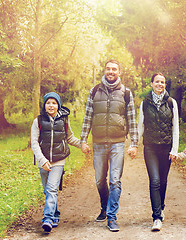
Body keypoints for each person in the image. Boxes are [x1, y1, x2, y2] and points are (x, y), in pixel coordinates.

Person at [80, 60, 138, 232]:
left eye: (114, 69)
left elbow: (132, 119)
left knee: (115, 180)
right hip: (98, 143)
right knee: (99, 180)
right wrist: (83, 140)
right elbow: (87, 116)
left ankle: (112, 217)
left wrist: (134, 143)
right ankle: (104, 207)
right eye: (108, 69)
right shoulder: (94, 91)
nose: (111, 72)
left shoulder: (126, 93)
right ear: (104, 71)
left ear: (119, 72)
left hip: (118, 143)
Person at [31, 92, 81, 233]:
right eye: (48, 103)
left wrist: (83, 145)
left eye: (54, 103)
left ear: (58, 105)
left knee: (52, 189)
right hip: (43, 160)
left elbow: (70, 138)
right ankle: (56, 214)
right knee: (48, 191)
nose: (51, 105)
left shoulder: (64, 120)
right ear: (45, 105)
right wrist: (42, 160)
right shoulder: (38, 121)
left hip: (59, 160)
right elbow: (34, 143)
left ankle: (47, 219)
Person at [138, 73, 179, 231]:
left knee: (163, 181)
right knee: (154, 181)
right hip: (150, 147)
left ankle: (161, 206)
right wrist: (134, 144)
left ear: (165, 85)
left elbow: (175, 128)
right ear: (151, 84)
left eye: (162, 82)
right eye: (157, 82)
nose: (160, 84)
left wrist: (174, 149)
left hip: (166, 147)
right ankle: (156, 217)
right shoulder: (144, 103)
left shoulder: (171, 102)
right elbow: (140, 126)